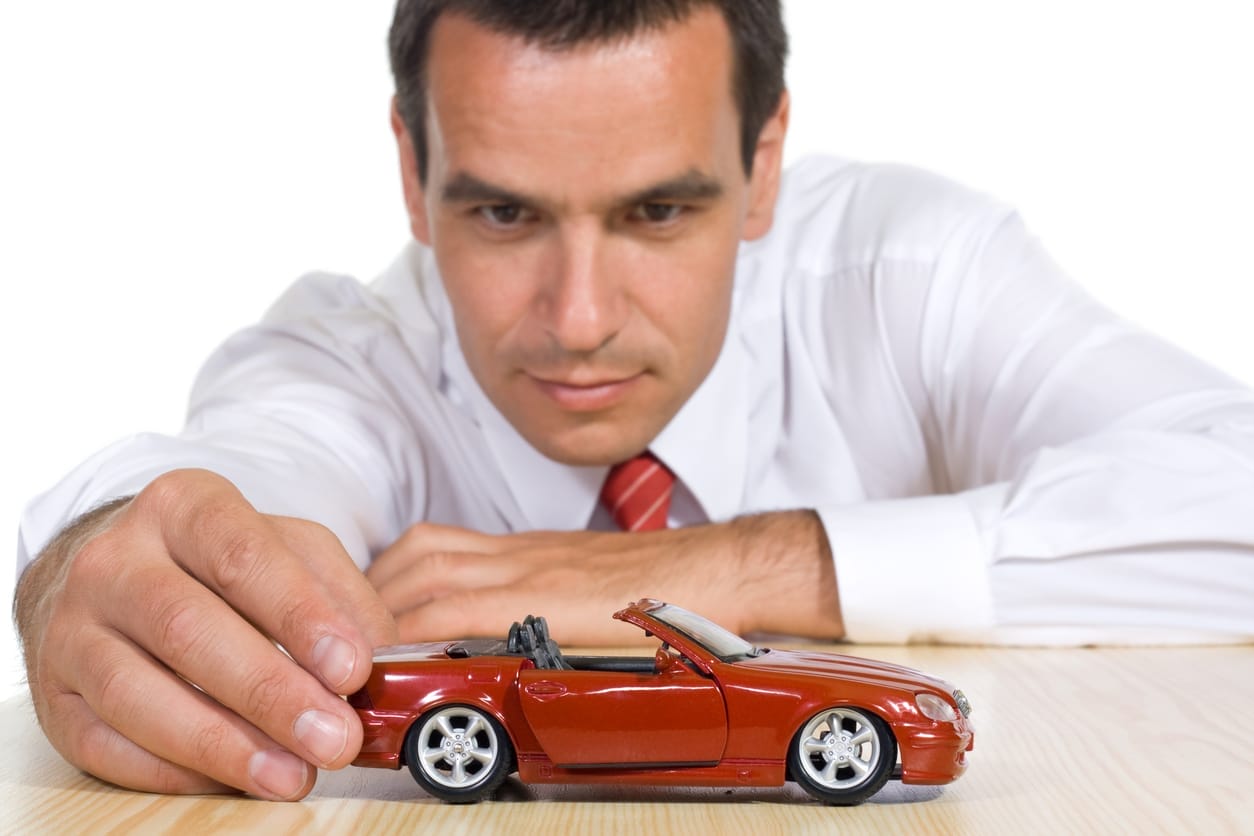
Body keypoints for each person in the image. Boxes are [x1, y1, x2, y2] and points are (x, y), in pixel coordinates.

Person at [13, 0, 1254, 803]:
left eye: (660, 211)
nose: (581, 316)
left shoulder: (913, 272)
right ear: (412, 167)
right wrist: (104, 556)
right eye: (503, 212)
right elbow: (243, 468)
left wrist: (759, 568)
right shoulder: (345, 354)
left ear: (762, 162)